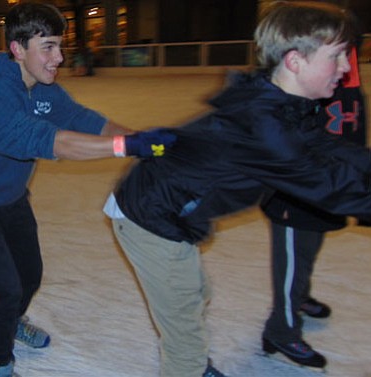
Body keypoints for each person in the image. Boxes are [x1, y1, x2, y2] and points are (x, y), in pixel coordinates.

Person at [104, 2, 370, 376]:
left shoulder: (283, 104)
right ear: (295, 61)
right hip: (150, 217)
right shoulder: (264, 128)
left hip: (167, 208)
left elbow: (331, 148)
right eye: (338, 55)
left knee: (195, 295)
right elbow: (334, 188)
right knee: (185, 337)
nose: (346, 67)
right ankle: (190, 368)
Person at [0, 2, 174, 376]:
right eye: (47, 47)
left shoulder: (45, 92)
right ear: (17, 50)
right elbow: (56, 143)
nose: (60, 57)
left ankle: (14, 322)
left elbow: (86, 122)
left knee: (30, 276)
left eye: (59, 46)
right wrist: (128, 147)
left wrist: (144, 139)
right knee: (6, 288)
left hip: (13, 198)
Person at [260, 37, 367, 367]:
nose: (344, 63)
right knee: (293, 259)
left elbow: (351, 129)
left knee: (309, 249)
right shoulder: (301, 81)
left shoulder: (344, 76)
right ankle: (282, 331)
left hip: (329, 186)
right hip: (298, 192)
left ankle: (299, 298)